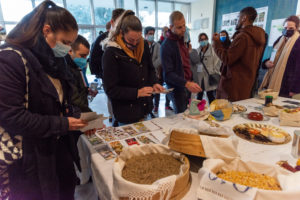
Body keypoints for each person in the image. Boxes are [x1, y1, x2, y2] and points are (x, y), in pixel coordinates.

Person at [0, 1, 88, 200]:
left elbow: (62, 100)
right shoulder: (11, 59)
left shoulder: (56, 60)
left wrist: (71, 113)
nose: (67, 49)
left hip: (58, 152)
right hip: (29, 160)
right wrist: (61, 123)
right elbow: (11, 116)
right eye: (65, 42)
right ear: (46, 31)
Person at [102, 10, 164, 126]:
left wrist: (154, 82)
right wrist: (137, 92)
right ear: (121, 33)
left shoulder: (143, 45)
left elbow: (150, 68)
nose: (135, 44)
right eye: (131, 40)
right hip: (125, 113)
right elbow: (110, 89)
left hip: (144, 108)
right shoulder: (111, 52)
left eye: (138, 39)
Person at [212, 7, 266, 101]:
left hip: (234, 85)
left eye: (238, 18)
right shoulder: (258, 37)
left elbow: (228, 58)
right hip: (246, 83)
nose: (237, 21)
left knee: (228, 112)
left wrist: (217, 43)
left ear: (244, 18)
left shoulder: (243, 37)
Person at [161, 11, 202, 114]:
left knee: (191, 113)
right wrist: (186, 83)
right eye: (179, 27)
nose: (183, 29)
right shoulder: (166, 46)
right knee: (182, 116)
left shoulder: (182, 40)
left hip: (187, 85)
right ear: (171, 27)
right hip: (177, 89)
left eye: (184, 25)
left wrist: (190, 81)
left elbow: (186, 64)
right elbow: (168, 74)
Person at [89, 8, 124, 124]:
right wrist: (102, 74)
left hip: (124, 79)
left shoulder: (126, 39)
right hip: (108, 77)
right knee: (112, 99)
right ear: (113, 22)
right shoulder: (102, 39)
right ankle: (113, 117)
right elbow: (93, 61)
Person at [260, 16, 300, 97]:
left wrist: (294, 89)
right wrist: (266, 63)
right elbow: (274, 57)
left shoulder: (298, 42)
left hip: (288, 86)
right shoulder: (280, 39)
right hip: (273, 80)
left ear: (297, 28)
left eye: (291, 28)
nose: (287, 30)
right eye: (285, 27)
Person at [190, 33, 221, 104]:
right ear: (199, 41)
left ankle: (213, 111)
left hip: (209, 76)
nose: (203, 41)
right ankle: (199, 111)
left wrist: (215, 72)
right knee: (199, 96)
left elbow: (218, 62)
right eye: (201, 39)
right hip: (200, 76)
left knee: (210, 96)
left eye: (205, 39)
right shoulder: (197, 51)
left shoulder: (213, 50)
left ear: (207, 39)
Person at [66, 34, 94, 112]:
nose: (85, 60)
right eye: (82, 56)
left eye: (86, 56)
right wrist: (91, 114)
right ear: (70, 51)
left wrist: (87, 90)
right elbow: (74, 98)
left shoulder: (76, 66)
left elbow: (78, 87)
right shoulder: (66, 69)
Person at [144, 26, 162, 114]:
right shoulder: (142, 45)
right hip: (144, 73)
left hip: (154, 72)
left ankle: (156, 106)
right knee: (147, 92)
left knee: (156, 90)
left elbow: (160, 58)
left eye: (153, 34)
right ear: (145, 34)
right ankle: (147, 109)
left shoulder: (157, 45)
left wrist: (151, 65)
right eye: (150, 34)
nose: (152, 36)